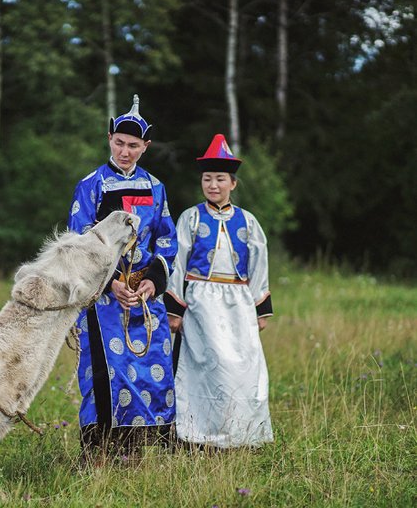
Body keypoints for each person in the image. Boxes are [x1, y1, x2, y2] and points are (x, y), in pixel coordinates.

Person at [68, 95, 178, 463]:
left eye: (134, 146)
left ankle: (140, 451)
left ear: (145, 147)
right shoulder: (92, 184)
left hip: (145, 295)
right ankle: (98, 453)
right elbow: (79, 239)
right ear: (110, 139)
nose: (125, 151)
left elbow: (165, 239)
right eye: (119, 143)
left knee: (150, 369)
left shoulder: (156, 187)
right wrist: (111, 282)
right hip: (104, 296)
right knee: (105, 372)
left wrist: (154, 282)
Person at [164, 134, 274, 449]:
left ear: (233, 184)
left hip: (238, 305)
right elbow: (177, 264)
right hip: (200, 304)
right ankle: (196, 437)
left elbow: (259, 266)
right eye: (207, 178)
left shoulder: (249, 222)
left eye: (220, 179)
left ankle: (240, 435)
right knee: (201, 369)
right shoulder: (191, 217)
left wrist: (260, 309)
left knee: (242, 369)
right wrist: (175, 309)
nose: (213, 185)